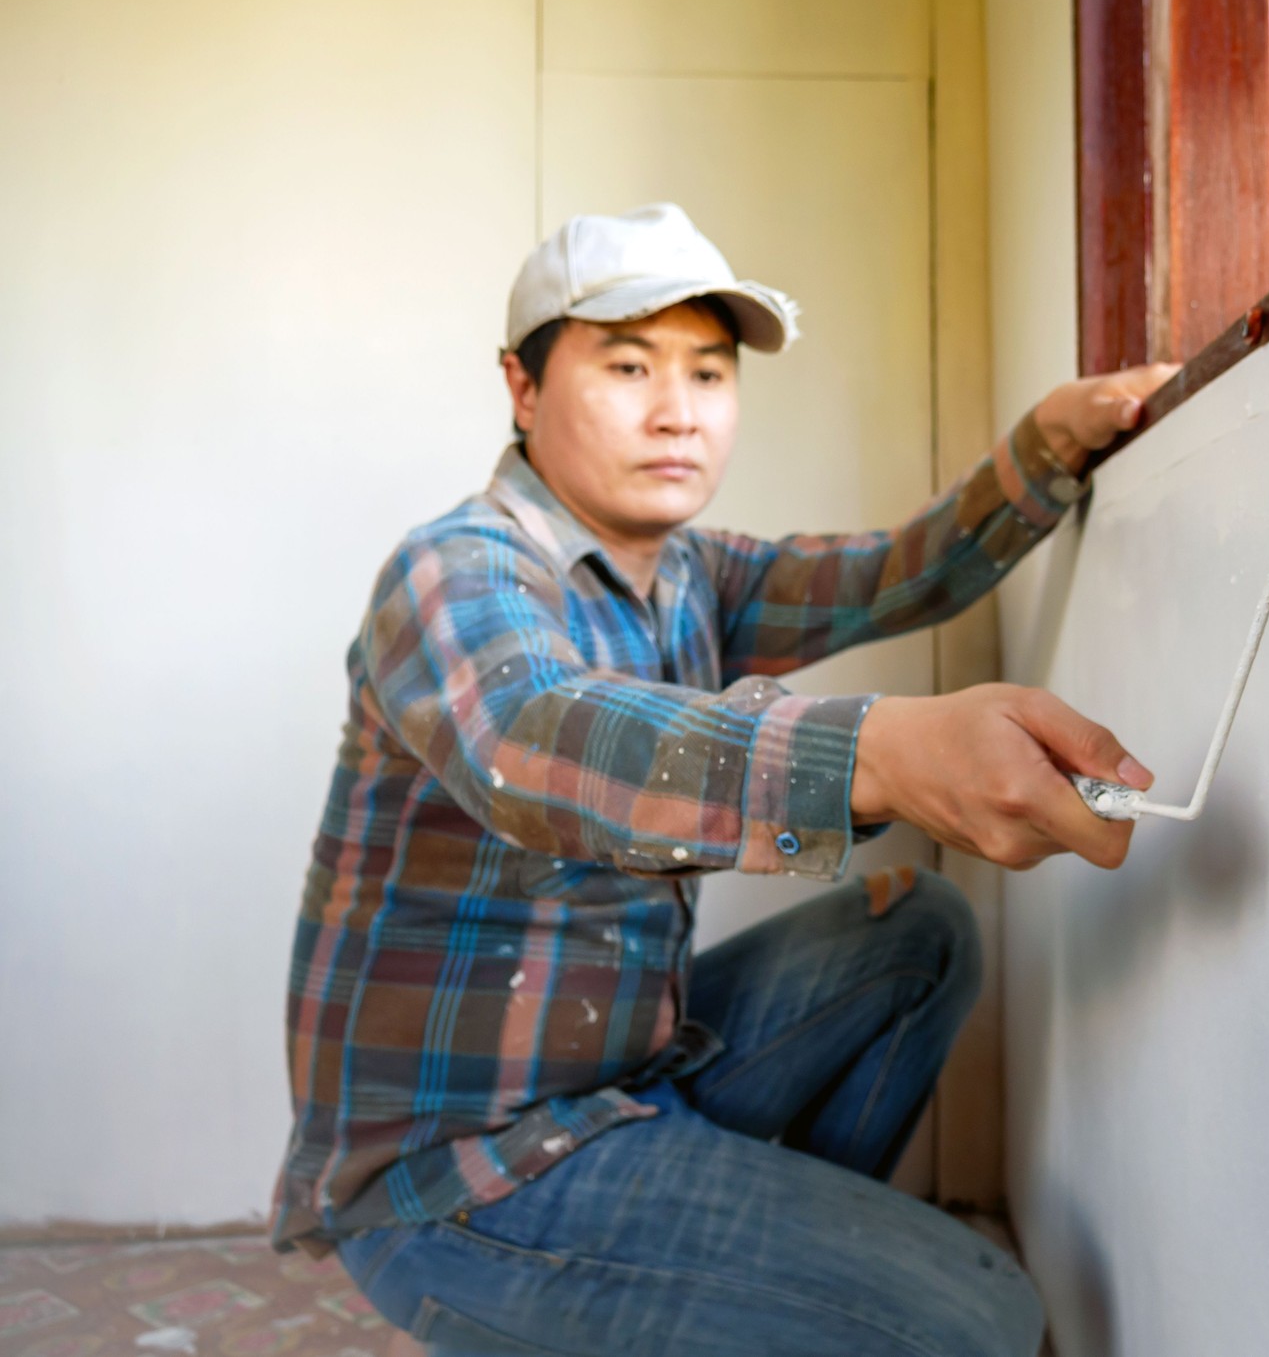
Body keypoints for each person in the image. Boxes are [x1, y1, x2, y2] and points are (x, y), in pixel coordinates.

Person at [269, 203, 1174, 1355]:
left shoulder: (691, 574)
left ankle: (736, 1298)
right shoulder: (456, 565)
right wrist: (881, 752)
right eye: (630, 364)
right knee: (982, 1314)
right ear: (524, 387)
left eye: (708, 370)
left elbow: (894, 574)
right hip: (463, 1178)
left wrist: (1047, 444)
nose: (677, 410)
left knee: (922, 930)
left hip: (629, 1077)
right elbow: (532, 738)